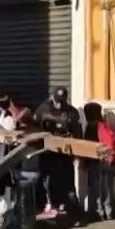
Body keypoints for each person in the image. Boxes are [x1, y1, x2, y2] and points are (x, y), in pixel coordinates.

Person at [35, 87, 82, 219]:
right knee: (49, 181)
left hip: (65, 154)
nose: (59, 104)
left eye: (62, 101)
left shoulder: (71, 111)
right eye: (57, 101)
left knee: (67, 182)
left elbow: (76, 130)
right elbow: (38, 120)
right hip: (48, 153)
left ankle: (72, 210)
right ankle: (51, 205)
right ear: (52, 98)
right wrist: (54, 119)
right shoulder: (44, 108)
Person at [81, 102, 115, 221]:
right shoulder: (104, 125)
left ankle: (97, 213)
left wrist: (84, 162)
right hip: (107, 161)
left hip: (95, 161)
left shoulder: (92, 126)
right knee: (106, 189)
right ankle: (109, 213)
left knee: (95, 189)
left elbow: (87, 145)